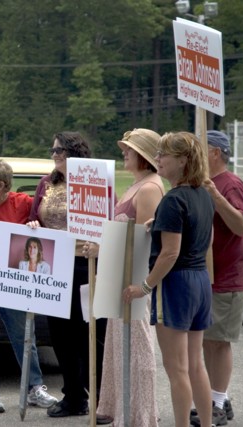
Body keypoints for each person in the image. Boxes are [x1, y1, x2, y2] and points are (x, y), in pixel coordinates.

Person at [122, 131, 215, 427]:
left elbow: (169, 254)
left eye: (164, 155)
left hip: (176, 284)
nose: (158, 159)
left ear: (183, 161)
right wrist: (158, 221)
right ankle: (207, 423)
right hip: (200, 279)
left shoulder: (174, 199)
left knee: (176, 369)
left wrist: (144, 286)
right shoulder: (202, 194)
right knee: (195, 364)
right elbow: (202, 239)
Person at [0, 159, 57, 413]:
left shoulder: (23, 204)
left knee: (24, 333)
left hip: (11, 278)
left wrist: (35, 225)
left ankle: (34, 387)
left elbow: (44, 227)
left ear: (1, 186)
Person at [27, 131, 107, 418]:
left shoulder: (96, 182)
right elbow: (34, 214)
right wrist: (33, 223)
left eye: (60, 150)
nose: (55, 155)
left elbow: (111, 219)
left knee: (90, 334)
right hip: (54, 265)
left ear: (76, 154)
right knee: (60, 336)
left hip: (87, 265)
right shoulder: (46, 183)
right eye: (53, 151)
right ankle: (73, 396)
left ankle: (100, 398)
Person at [96, 129, 164, 427]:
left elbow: (145, 241)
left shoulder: (150, 188)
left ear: (145, 156)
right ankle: (122, 408)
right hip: (118, 278)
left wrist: (138, 283)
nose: (124, 152)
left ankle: (139, 415)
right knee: (121, 347)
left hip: (134, 280)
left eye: (130, 149)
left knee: (138, 348)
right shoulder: (136, 185)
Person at [190, 131, 243, 427]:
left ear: (215, 152)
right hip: (207, 275)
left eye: (201, 148)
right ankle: (217, 398)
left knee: (219, 342)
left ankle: (217, 400)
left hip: (227, 277)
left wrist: (215, 196)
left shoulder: (230, 184)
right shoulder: (204, 183)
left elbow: (240, 226)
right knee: (208, 342)